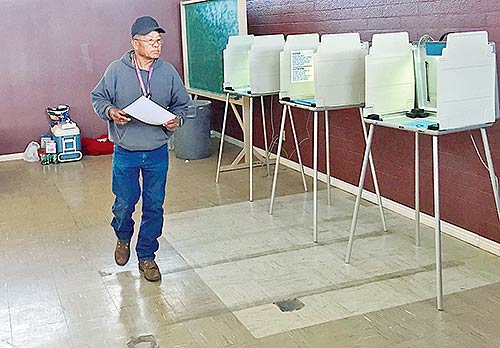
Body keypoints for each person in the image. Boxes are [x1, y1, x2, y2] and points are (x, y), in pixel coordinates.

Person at [91, 16, 191, 282]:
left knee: (154, 206)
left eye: (159, 41)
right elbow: (98, 97)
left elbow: (183, 104)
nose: (156, 46)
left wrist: (176, 119)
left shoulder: (167, 72)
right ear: (135, 44)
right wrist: (111, 112)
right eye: (150, 41)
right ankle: (123, 237)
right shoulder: (116, 70)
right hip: (126, 150)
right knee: (124, 203)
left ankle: (147, 256)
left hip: (157, 150)